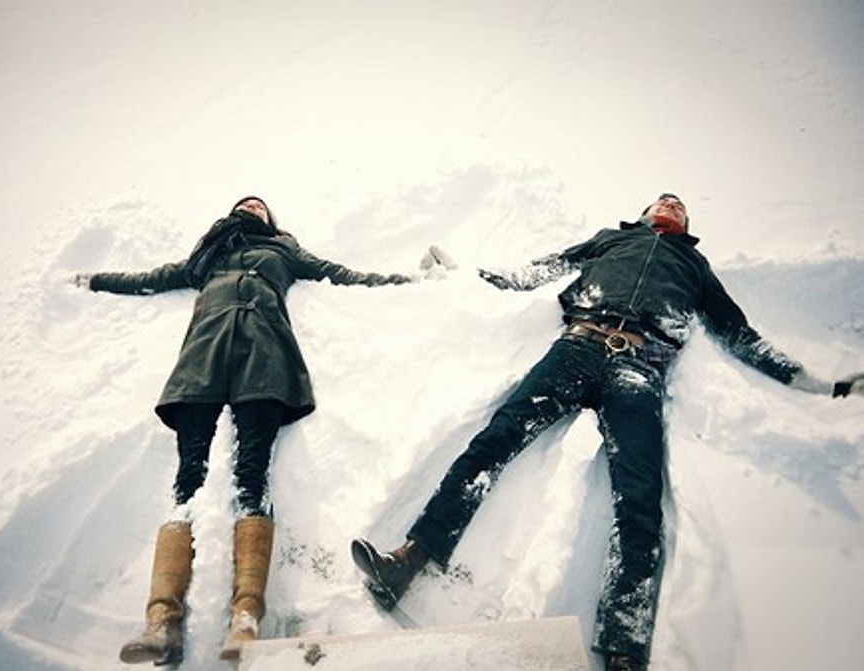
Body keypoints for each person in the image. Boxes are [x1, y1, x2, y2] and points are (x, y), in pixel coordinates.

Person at [350, 193, 863, 671]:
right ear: (644, 215)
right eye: (663, 200)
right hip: (577, 346)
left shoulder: (695, 267)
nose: (671, 203)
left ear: (686, 227)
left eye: (679, 205)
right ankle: (408, 562)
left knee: (639, 495)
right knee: (493, 442)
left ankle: (624, 644)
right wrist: (467, 277)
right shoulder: (611, 239)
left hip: (638, 368)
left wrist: (819, 383)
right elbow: (541, 269)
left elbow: (740, 335)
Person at [76, 196, 412, 665]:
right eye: (245, 203)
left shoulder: (285, 250)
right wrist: (95, 279)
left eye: (260, 205)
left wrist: (405, 280)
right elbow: (152, 278)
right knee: (188, 477)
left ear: (271, 220)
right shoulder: (207, 255)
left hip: (265, 354)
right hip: (204, 353)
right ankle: (160, 623)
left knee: (252, 473)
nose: (253, 206)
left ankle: (245, 618)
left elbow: (341, 273)